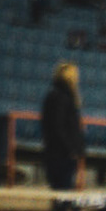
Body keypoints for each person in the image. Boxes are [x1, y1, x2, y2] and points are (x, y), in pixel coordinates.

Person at [41, 61, 86, 191]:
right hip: (62, 153)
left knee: (61, 188)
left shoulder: (55, 95)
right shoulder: (63, 98)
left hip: (56, 151)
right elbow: (59, 126)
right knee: (63, 189)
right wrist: (71, 149)